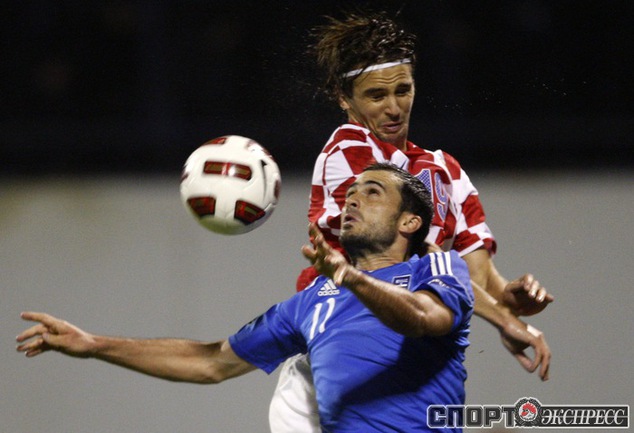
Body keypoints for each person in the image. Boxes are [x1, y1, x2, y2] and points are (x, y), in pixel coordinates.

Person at [18, 163, 474, 432]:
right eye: (349, 193)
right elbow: (212, 362)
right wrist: (94, 344)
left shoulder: (435, 268)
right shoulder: (313, 301)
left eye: (371, 193)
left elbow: (425, 319)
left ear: (410, 222)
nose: (351, 201)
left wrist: (351, 278)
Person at [269, 11, 554, 432]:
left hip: (410, 364)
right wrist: (503, 319)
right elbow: (412, 262)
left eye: (403, 90)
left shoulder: (447, 171)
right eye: (376, 95)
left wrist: (511, 297)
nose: (393, 107)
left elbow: (474, 277)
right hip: (340, 356)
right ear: (344, 98)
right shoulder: (347, 152)